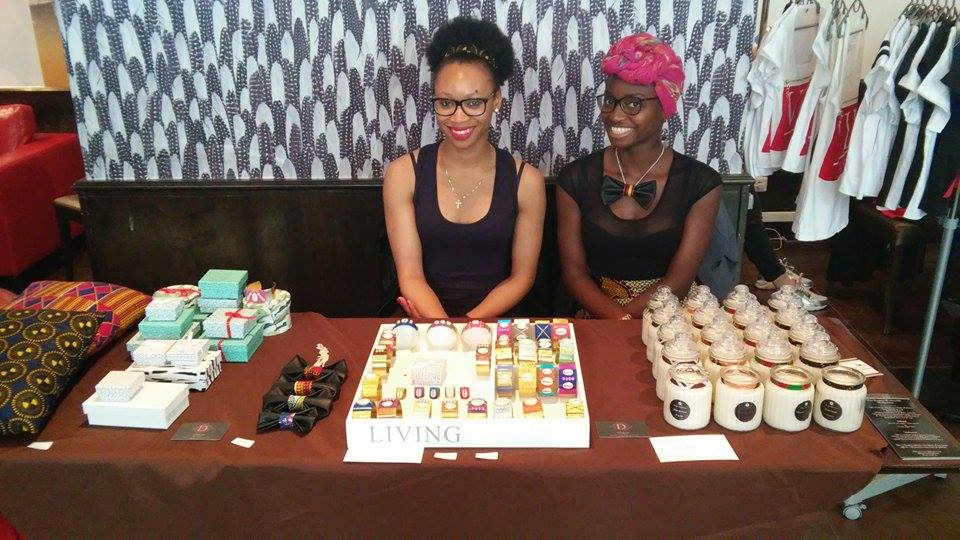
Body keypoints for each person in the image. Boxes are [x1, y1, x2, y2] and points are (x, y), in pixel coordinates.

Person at [383, 17, 546, 318]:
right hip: (425, 320)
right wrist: (444, 329)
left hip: (497, 322)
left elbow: (522, 278)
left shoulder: (527, 181)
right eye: (446, 103)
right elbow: (410, 276)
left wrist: (466, 327)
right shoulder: (403, 173)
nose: (458, 118)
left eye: (473, 103)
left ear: (496, 100)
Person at [556, 33, 721, 319]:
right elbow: (574, 273)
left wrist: (625, 321)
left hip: (670, 316)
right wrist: (618, 321)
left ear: (665, 107)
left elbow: (679, 280)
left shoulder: (700, 183)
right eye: (610, 101)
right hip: (596, 312)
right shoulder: (575, 178)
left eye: (633, 103)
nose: (614, 115)